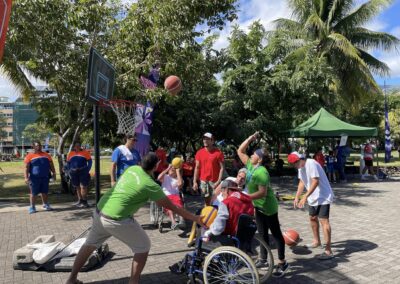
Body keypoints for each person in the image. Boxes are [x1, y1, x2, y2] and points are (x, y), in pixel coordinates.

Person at [66, 153, 204, 284]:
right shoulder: (150, 185)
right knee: (143, 246)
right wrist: (195, 218)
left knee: (90, 244)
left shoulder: (132, 168)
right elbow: (175, 208)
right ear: (157, 165)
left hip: (100, 211)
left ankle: (71, 279)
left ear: (141, 162)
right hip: (116, 219)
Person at [237, 132, 289, 278]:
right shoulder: (250, 165)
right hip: (258, 206)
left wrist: (245, 197)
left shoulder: (262, 172)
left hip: (268, 207)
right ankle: (263, 259)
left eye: (254, 154)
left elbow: (262, 193)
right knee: (262, 233)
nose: (251, 155)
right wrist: (250, 138)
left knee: (277, 235)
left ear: (258, 159)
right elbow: (240, 151)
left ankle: (282, 262)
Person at [288, 151, 335, 260]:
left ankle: (328, 250)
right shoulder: (301, 167)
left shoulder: (311, 163)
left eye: (296, 162)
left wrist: (304, 197)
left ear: (301, 159)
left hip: (323, 195)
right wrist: (297, 196)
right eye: (293, 164)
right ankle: (316, 241)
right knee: (312, 218)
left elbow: (315, 182)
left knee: (324, 221)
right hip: (313, 197)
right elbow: (302, 182)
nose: (295, 165)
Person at [24, 141, 57, 214]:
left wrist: (54, 173)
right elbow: (26, 168)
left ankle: (45, 204)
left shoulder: (46, 155)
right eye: (36, 145)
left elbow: (51, 165)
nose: (38, 147)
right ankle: (32, 207)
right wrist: (26, 177)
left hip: (45, 177)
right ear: (33, 147)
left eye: (39, 145)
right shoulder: (29, 156)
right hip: (34, 178)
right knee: (33, 193)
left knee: (44, 192)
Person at [193, 132, 225, 206]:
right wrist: (194, 181)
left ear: (212, 141)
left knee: (215, 200)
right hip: (204, 181)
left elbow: (222, 168)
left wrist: (218, 181)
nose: (205, 140)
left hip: (215, 181)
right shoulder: (199, 152)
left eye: (207, 139)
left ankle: (214, 214)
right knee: (207, 201)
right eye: (204, 139)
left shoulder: (218, 153)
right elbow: (197, 167)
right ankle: (208, 214)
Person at [158, 165, 184, 230]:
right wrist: (167, 168)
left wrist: (178, 172)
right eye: (171, 169)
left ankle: (181, 220)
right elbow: (159, 178)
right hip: (166, 196)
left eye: (174, 170)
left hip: (175, 196)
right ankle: (173, 222)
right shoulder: (165, 177)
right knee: (170, 205)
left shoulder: (178, 179)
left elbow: (180, 184)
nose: (172, 170)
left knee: (178, 205)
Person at [67, 141, 92, 208]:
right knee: (77, 186)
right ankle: (80, 200)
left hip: (83, 171)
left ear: (80, 146)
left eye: (78, 145)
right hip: (74, 172)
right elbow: (68, 163)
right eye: (76, 146)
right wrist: (69, 170)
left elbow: (90, 162)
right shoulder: (70, 153)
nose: (77, 147)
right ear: (74, 147)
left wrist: (87, 169)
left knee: (83, 186)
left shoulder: (85, 152)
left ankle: (84, 201)